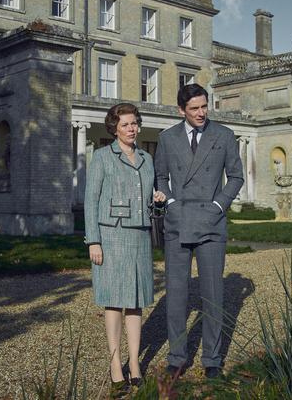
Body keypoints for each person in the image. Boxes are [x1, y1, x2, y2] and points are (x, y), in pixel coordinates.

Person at [154, 84, 243, 379]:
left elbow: (236, 176)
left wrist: (218, 206)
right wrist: (172, 203)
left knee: (213, 294)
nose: (201, 113)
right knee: (176, 294)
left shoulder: (224, 135)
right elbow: (160, 177)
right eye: (194, 108)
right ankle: (177, 357)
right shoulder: (167, 138)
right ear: (181, 110)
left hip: (211, 223)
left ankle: (212, 359)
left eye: (204, 106)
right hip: (178, 223)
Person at [84, 103, 166, 393]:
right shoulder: (102, 158)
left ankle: (134, 363)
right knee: (114, 301)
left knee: (136, 301)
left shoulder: (146, 158)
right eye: (126, 125)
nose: (131, 129)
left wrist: (157, 201)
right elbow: (90, 201)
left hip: (140, 237)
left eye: (134, 124)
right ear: (114, 128)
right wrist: (93, 240)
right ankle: (115, 363)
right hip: (111, 236)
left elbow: (151, 202)